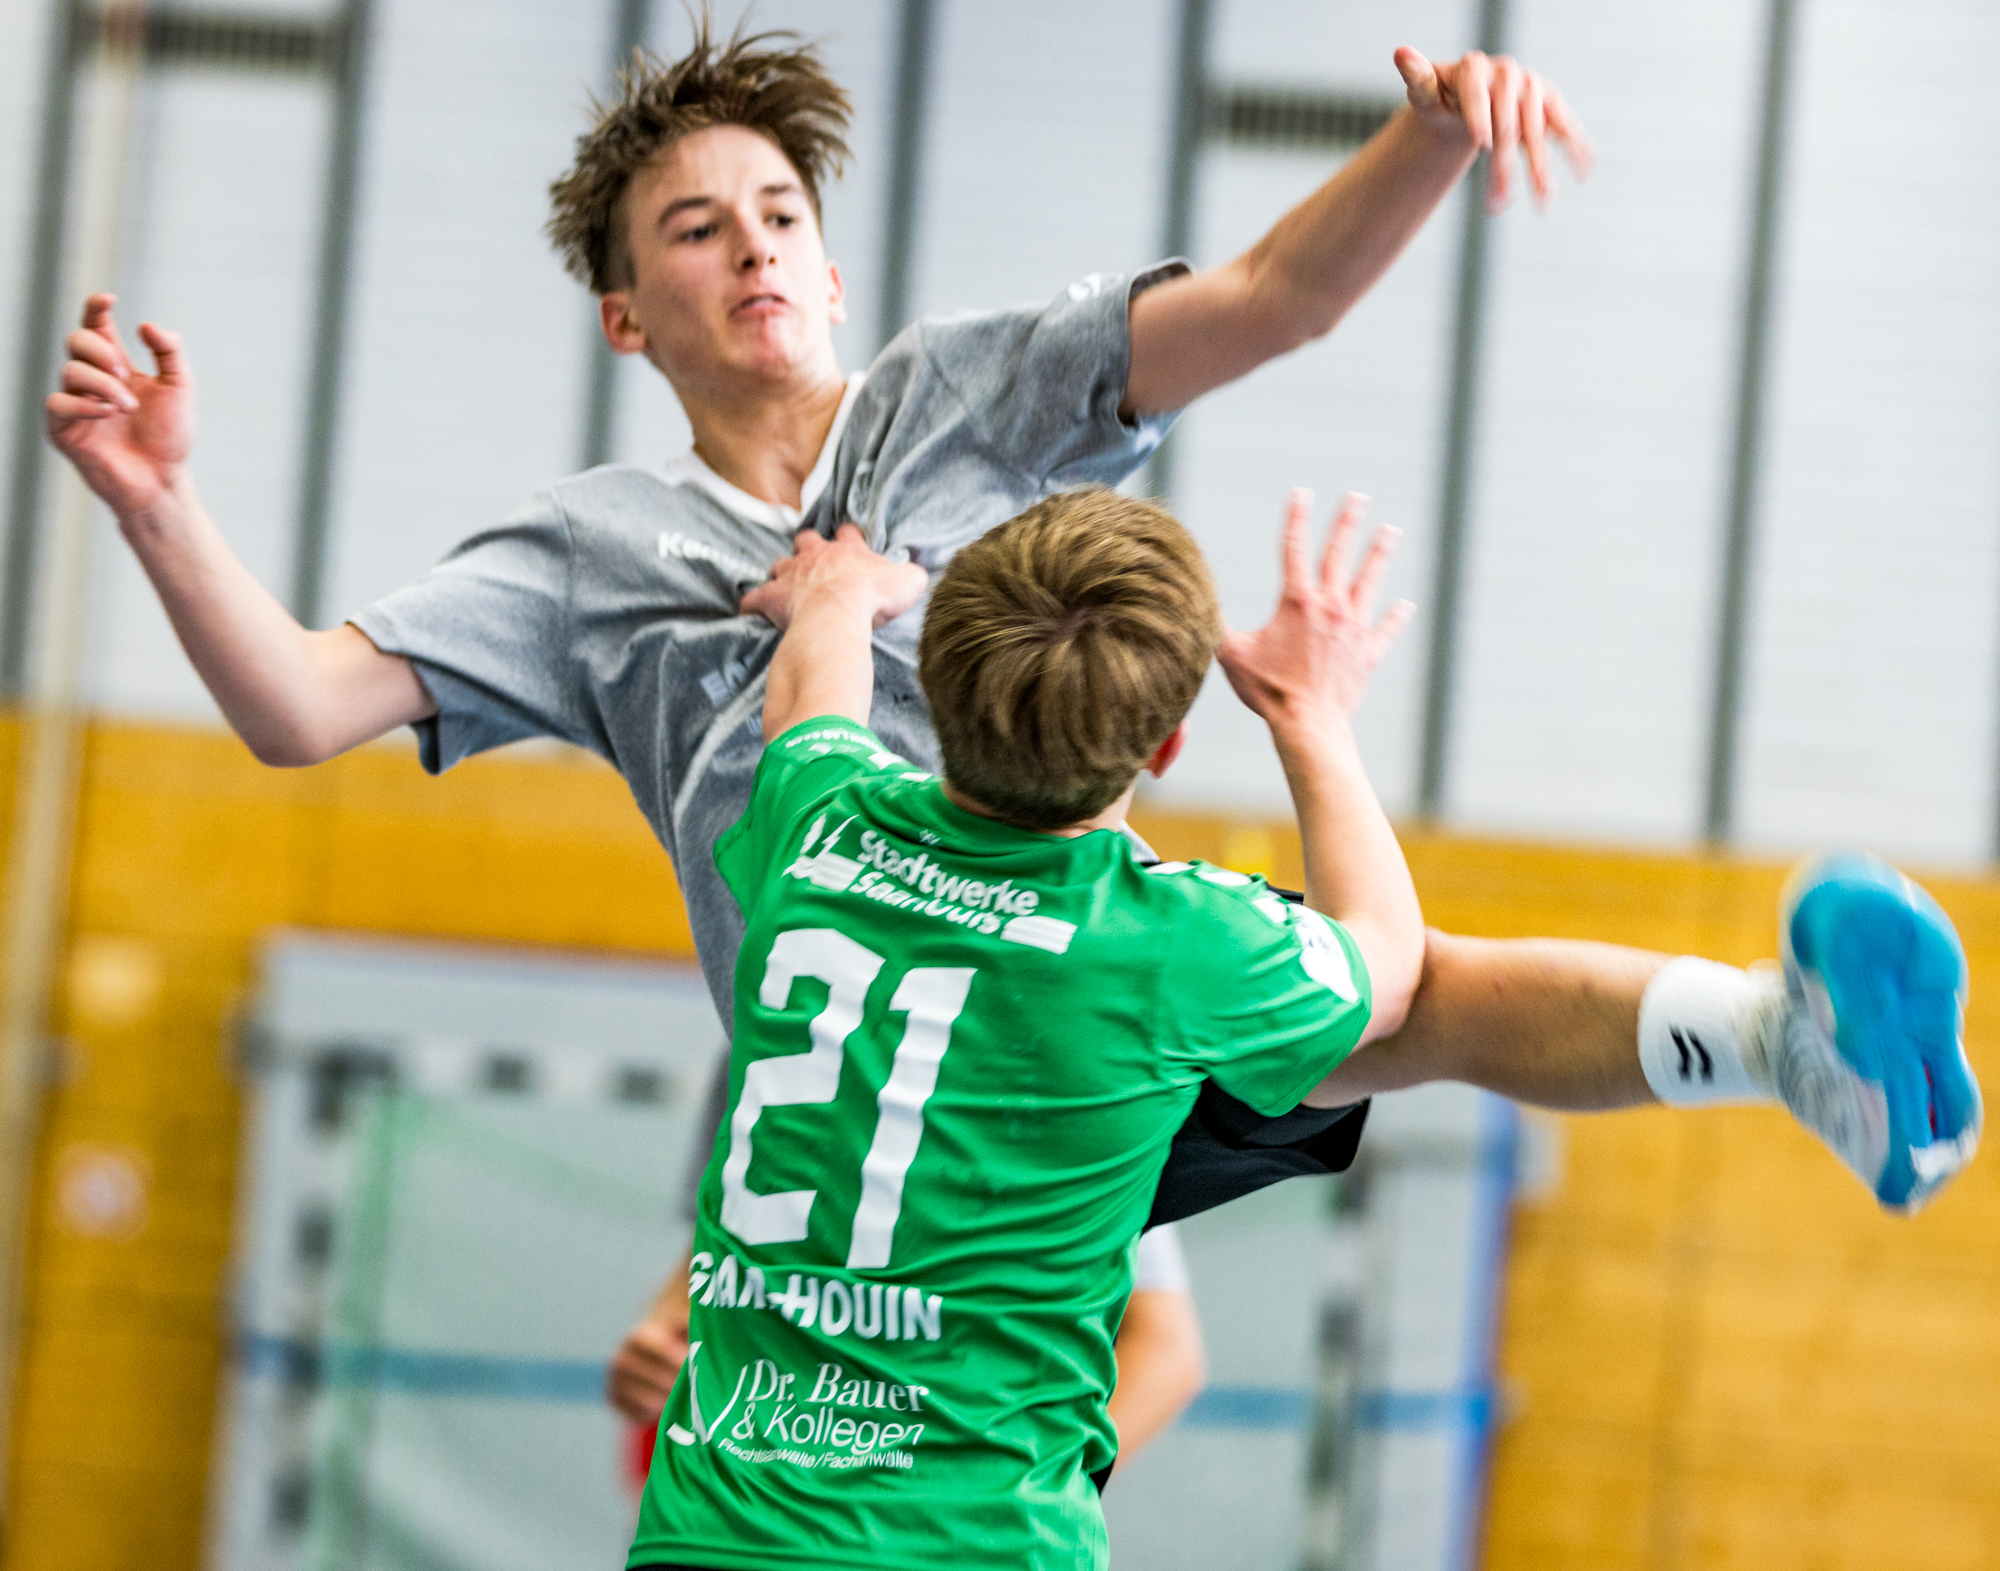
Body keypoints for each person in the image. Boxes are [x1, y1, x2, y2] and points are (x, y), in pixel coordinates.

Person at [46, 17, 1977, 1392]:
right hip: (865, 1073)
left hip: (1063, 978)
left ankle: (1781, 1040)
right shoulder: (586, 557)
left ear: (828, 256)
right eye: (695, 230)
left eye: (777, 212)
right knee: (1378, 1017)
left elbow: (1276, 298)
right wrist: (156, 504)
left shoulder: (963, 392)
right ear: (627, 316)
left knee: (1417, 1005)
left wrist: (1431, 134)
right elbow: (300, 704)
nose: (752, 246)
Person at [628, 484, 1422, 1568]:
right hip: (978, 1542)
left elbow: (808, 707)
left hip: (713, 1534)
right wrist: (1308, 713)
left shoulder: (818, 825)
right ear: (1166, 746)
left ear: (938, 684)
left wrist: (837, 594)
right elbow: (1389, 963)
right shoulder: (1172, 936)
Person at [614, 1224, 1203, 1492]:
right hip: (748, 1511)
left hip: (931, 1525)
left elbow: (1165, 1349)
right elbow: (717, 1259)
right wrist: (652, 1355)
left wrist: (1019, 1491)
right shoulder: (762, 1036)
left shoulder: (1042, 1067)